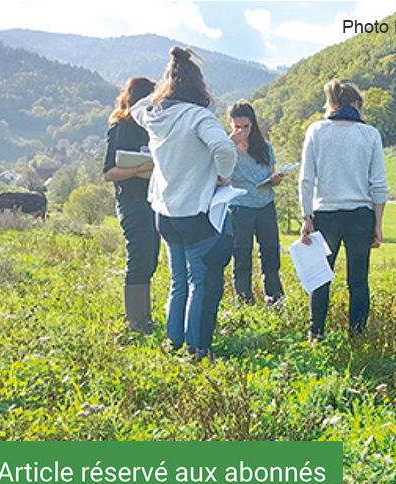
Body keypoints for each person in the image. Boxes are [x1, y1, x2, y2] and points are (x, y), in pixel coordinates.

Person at [132, 46, 237, 360]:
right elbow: (225, 149)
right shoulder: (198, 117)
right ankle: (198, 349)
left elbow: (137, 104)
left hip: (164, 212)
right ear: (199, 85)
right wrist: (223, 178)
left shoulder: (152, 114)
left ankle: (173, 342)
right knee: (201, 283)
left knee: (178, 281)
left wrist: (163, 87)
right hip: (195, 212)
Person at [299, 79, 388, 342]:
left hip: (326, 215)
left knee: (321, 278)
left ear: (331, 104)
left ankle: (316, 334)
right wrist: (378, 223)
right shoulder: (369, 134)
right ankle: (357, 335)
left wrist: (307, 217)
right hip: (361, 215)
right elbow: (379, 184)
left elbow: (306, 179)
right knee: (358, 281)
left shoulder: (316, 130)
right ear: (357, 104)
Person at [103, 77, 160, 334]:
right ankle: (136, 322)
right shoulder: (120, 128)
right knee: (139, 255)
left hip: (154, 200)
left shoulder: (155, 128)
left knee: (150, 257)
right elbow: (108, 172)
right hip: (131, 200)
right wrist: (141, 168)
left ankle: (144, 317)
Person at [228, 101, 284, 304]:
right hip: (240, 207)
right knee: (241, 255)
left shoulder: (265, 147)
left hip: (265, 205)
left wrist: (275, 179)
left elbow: (270, 174)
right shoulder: (227, 148)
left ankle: (275, 298)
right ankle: (244, 300)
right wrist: (230, 145)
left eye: (246, 126)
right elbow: (220, 175)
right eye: (237, 126)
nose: (241, 131)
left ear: (253, 125)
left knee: (270, 253)